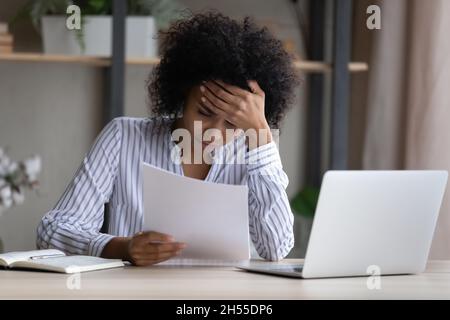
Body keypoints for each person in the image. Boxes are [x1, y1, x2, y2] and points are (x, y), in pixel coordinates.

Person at [36, 12, 298, 266]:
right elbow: (52, 231)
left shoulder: (254, 153)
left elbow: (276, 248)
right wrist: (121, 248)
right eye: (204, 112)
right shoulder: (124, 138)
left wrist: (261, 136)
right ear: (183, 93)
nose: (214, 133)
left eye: (233, 122)